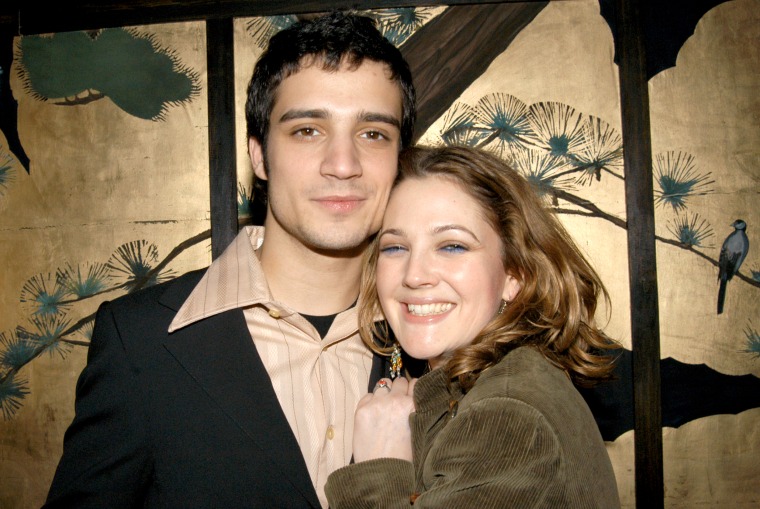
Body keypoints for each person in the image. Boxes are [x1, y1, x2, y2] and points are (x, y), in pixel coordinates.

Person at [44, 11, 415, 509]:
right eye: (307, 130)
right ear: (259, 156)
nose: (343, 165)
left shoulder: (441, 344)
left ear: (399, 160)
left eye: (373, 134)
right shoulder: (141, 343)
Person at [325, 145, 621, 508]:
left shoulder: (506, 415)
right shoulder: (496, 383)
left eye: (452, 246)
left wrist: (378, 467)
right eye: (395, 248)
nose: (414, 275)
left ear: (515, 273)